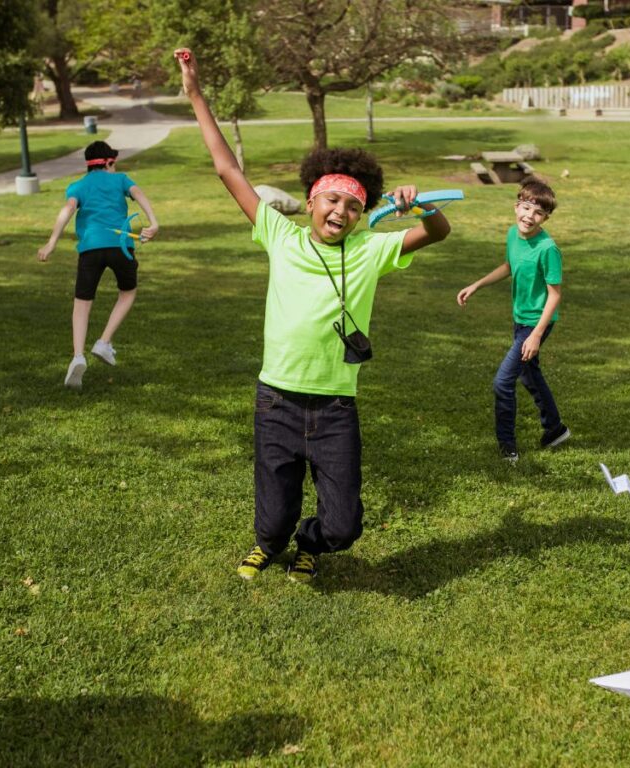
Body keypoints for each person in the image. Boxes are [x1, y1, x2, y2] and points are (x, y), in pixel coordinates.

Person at [173, 47, 451, 583]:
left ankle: (312, 542)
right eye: (330, 201)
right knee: (271, 513)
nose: (340, 213)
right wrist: (194, 94)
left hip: (334, 407)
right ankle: (270, 543)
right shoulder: (278, 234)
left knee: (344, 525)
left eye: (352, 206)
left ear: (362, 213)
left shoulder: (372, 249)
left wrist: (425, 207)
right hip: (276, 398)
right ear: (309, 201)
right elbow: (227, 167)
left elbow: (437, 234)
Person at [457, 178, 570, 463]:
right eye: (526, 208)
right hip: (520, 319)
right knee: (529, 373)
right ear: (516, 206)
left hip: (535, 324)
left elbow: (554, 295)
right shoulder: (512, 234)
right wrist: (477, 285)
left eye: (538, 213)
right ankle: (555, 429)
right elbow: (509, 265)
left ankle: (507, 446)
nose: (529, 216)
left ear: (546, 217)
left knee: (502, 382)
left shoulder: (548, 249)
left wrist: (535, 335)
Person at [37, 140, 159, 390]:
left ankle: (78, 356)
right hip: (121, 247)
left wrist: (51, 243)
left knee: (82, 304)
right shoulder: (121, 179)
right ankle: (103, 342)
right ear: (109, 162)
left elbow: (67, 210)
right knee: (127, 292)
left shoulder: (78, 186)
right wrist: (153, 222)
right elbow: (139, 194)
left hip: (90, 249)